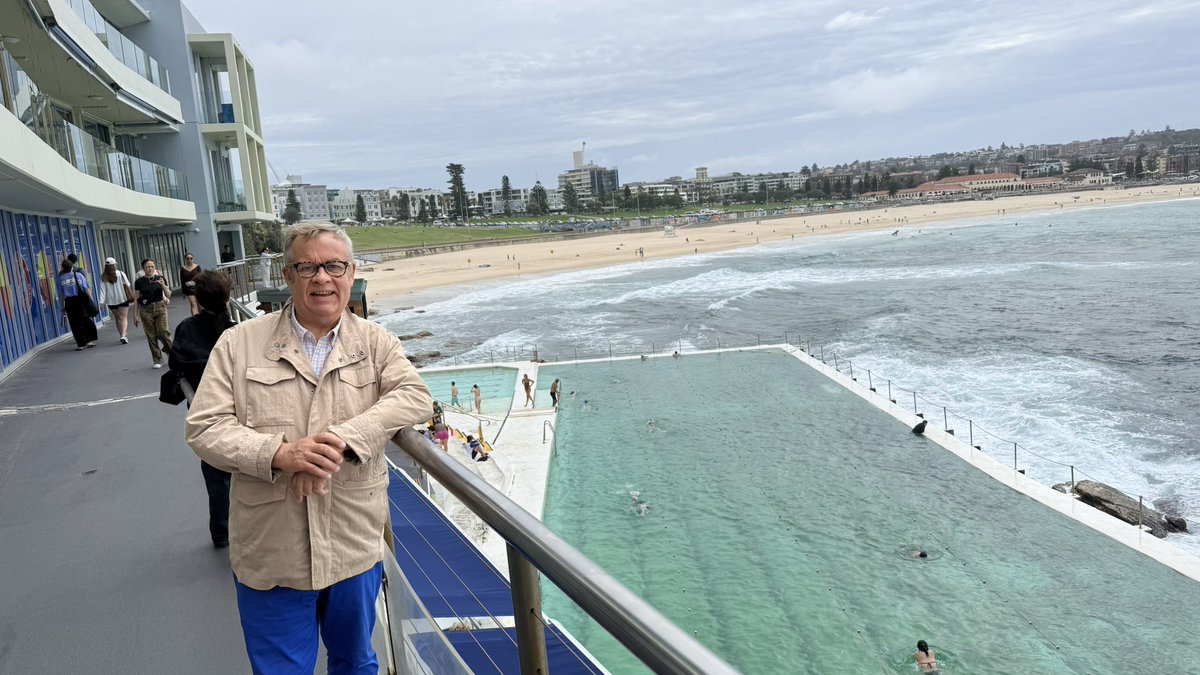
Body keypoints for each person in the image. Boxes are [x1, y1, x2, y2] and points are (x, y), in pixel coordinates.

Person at [185, 222, 433, 674]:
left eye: (334, 266)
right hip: (272, 551)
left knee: (355, 663)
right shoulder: (239, 344)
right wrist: (279, 454)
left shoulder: (376, 342)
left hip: (353, 544)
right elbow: (205, 427)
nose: (322, 277)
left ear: (351, 273)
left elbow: (414, 396)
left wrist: (347, 436)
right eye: (307, 267)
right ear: (287, 276)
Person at [167, 270, 236, 548]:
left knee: (215, 471)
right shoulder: (237, 331)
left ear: (198, 298)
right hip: (239, 407)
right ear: (228, 297)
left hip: (203, 410)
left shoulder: (186, 328)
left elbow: (176, 365)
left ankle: (221, 530)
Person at [132, 258, 172, 368]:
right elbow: (136, 299)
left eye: (152, 266)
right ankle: (157, 359)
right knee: (151, 334)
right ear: (143, 268)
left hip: (160, 307)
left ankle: (171, 352)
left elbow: (168, 294)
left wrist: (163, 285)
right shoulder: (139, 282)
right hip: (145, 309)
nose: (150, 269)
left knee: (163, 331)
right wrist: (135, 315)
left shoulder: (160, 278)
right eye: (147, 267)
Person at [57, 258, 98, 350]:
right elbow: (86, 289)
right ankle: (89, 340)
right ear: (72, 267)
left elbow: (61, 294)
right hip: (80, 300)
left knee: (74, 323)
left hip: (69, 302)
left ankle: (80, 344)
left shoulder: (61, 279)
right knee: (86, 319)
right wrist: (91, 300)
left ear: (63, 268)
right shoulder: (78, 275)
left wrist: (63, 306)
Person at [97, 257, 133, 344]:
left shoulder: (103, 276)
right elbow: (128, 284)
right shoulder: (121, 273)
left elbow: (102, 290)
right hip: (122, 298)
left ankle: (121, 335)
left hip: (111, 301)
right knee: (124, 317)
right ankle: (123, 335)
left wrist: (101, 302)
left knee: (118, 318)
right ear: (114, 265)